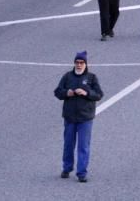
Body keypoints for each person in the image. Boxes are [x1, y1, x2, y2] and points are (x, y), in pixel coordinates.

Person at [53, 51, 103, 183]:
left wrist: (86, 92)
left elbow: (98, 95)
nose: (79, 65)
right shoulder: (68, 76)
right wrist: (66, 93)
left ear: (86, 64)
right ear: (74, 63)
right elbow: (57, 92)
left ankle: (81, 173)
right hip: (69, 117)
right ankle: (67, 168)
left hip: (85, 118)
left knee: (83, 146)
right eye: (77, 62)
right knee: (68, 144)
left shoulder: (92, 78)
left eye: (81, 63)